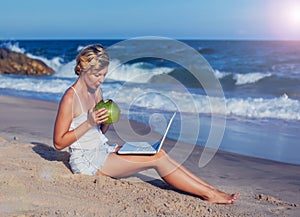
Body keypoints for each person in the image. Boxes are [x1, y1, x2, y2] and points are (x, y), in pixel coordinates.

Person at [53, 44, 239, 204]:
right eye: (97, 75)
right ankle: (209, 195)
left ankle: (211, 190)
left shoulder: (96, 90)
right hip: (87, 162)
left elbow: (99, 131)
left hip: (103, 150)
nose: (101, 80)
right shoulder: (71, 98)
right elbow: (59, 143)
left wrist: (106, 121)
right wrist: (89, 122)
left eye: (104, 75)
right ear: (84, 69)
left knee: (158, 151)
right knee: (155, 159)